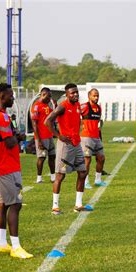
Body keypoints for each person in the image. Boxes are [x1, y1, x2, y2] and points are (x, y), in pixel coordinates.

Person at [0, 83, 32, 259]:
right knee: (15, 204)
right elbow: (10, 143)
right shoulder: (1, 117)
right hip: (7, 166)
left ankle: (2, 243)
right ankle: (15, 246)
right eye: (10, 95)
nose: (13, 98)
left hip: (4, 164)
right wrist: (19, 137)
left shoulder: (1, 116)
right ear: (0, 96)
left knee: (3, 204)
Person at [44, 83, 92, 215]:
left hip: (76, 144)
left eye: (76, 92)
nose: (75, 94)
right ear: (67, 94)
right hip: (65, 145)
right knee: (60, 175)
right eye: (72, 93)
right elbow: (47, 121)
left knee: (82, 172)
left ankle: (78, 204)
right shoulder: (62, 106)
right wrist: (59, 135)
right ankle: (55, 206)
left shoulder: (77, 105)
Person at [80, 88, 107, 189]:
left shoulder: (99, 108)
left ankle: (98, 180)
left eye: (97, 95)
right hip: (86, 137)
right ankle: (85, 182)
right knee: (87, 160)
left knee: (101, 158)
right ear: (89, 96)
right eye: (94, 95)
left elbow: (98, 124)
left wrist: (100, 137)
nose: (96, 97)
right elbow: (75, 115)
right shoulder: (84, 106)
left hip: (96, 137)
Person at [30, 87, 56, 184]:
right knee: (42, 157)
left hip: (49, 136)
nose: (50, 98)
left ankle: (53, 177)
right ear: (43, 95)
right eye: (49, 96)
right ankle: (39, 178)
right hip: (42, 137)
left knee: (52, 156)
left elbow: (52, 117)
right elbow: (34, 124)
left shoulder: (47, 106)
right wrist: (39, 140)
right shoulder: (36, 106)